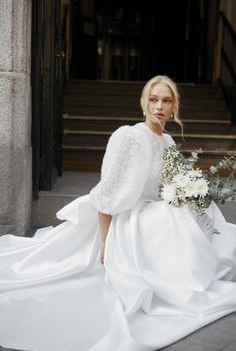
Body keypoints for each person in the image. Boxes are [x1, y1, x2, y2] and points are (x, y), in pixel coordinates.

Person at [0, 75, 235, 351]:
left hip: (151, 212)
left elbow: (168, 184)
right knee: (173, 217)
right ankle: (187, 282)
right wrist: (105, 240)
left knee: (198, 205)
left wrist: (189, 189)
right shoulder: (129, 137)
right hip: (125, 218)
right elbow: (107, 193)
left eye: (166, 101)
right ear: (143, 102)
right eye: (153, 99)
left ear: (174, 107)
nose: (159, 106)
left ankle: (201, 269)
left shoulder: (168, 141)